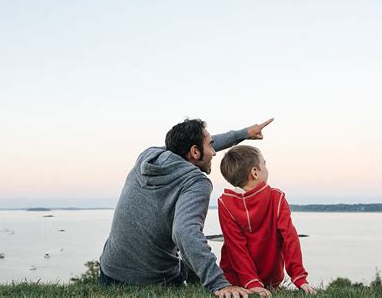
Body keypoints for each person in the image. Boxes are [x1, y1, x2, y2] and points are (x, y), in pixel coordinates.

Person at [99, 118, 274, 298]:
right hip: (152, 279)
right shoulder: (195, 182)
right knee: (191, 269)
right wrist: (219, 284)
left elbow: (190, 147)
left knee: (188, 264)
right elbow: (185, 232)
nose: (214, 152)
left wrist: (243, 134)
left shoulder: (149, 156)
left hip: (109, 271)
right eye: (210, 145)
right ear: (195, 151)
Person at [218, 145, 316, 297]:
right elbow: (290, 239)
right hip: (270, 280)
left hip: (234, 279)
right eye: (264, 163)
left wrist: (251, 282)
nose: (266, 167)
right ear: (255, 172)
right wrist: (299, 277)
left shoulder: (225, 203)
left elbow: (235, 247)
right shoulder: (276, 198)